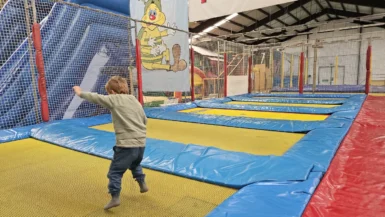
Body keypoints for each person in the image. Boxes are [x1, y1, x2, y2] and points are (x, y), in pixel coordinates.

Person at [73, 76, 148, 210]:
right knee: (135, 164)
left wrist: (80, 93)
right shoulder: (134, 100)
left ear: (112, 92)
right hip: (141, 144)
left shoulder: (114, 99)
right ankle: (142, 183)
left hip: (126, 145)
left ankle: (115, 198)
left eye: (109, 92)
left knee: (115, 172)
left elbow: (96, 97)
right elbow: (144, 119)